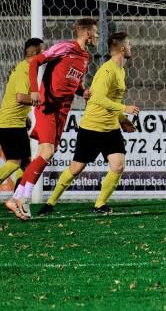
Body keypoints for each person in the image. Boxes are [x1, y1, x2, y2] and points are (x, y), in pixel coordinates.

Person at [37, 32, 141, 215]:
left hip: (110, 128)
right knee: (76, 167)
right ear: (123, 48)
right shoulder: (107, 70)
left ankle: (100, 205)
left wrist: (122, 121)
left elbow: (111, 100)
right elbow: (97, 98)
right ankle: (50, 202)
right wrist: (125, 109)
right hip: (92, 127)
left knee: (118, 165)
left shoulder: (121, 70)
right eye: (130, 44)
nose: (132, 47)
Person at [7, 18, 99, 220]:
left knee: (45, 152)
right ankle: (24, 199)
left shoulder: (85, 57)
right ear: (86, 33)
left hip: (63, 109)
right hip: (47, 105)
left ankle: (15, 197)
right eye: (95, 32)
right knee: (46, 152)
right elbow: (36, 63)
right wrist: (34, 90)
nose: (98, 36)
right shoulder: (65, 47)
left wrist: (83, 91)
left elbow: (72, 82)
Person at [0, 38, 44, 220]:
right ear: (35, 53)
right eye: (42, 52)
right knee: (15, 162)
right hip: (8, 124)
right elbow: (21, 97)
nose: (45, 55)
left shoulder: (25, 68)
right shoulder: (25, 70)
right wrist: (42, 101)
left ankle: (16, 199)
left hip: (16, 122)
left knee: (26, 163)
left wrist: (25, 114)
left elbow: (16, 97)